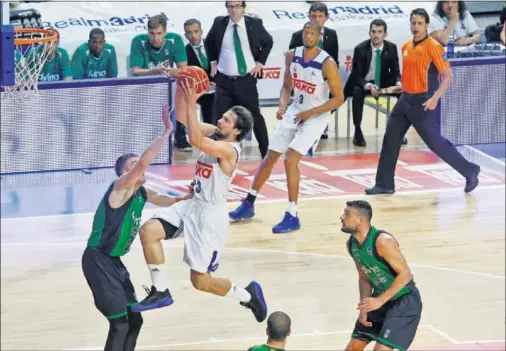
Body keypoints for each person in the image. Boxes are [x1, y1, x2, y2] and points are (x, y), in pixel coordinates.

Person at [130, 78, 268, 324]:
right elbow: (184, 118)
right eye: (222, 116)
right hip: (192, 204)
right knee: (148, 231)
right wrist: (183, 89)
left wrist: (194, 102)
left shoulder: (230, 150)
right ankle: (160, 291)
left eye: (226, 120)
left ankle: (249, 296)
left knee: (200, 281)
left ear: (236, 131)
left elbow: (195, 139)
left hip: (209, 218)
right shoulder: (215, 133)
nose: (220, 120)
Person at [81, 106, 192, 351]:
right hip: (97, 260)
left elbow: (167, 200)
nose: (139, 168)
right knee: (119, 324)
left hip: (114, 262)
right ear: (124, 173)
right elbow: (143, 163)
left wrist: (190, 195)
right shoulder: (119, 188)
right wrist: (166, 132)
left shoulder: (142, 192)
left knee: (135, 320)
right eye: (132, 166)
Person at [228, 20, 344, 234]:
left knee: (291, 159)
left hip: (316, 116)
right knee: (270, 157)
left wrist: (309, 113)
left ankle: (292, 214)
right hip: (296, 110)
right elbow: (286, 87)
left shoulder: (327, 63)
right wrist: (282, 105)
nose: (307, 36)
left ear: (319, 37)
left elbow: (338, 98)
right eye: (305, 32)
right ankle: (249, 203)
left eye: (312, 33)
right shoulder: (292, 55)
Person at [365, 8, 480, 196]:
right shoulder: (406, 47)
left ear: (427, 25)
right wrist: (387, 90)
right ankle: (384, 184)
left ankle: (470, 170)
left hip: (423, 102)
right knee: (391, 139)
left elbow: (448, 76)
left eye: (419, 23)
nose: (416, 26)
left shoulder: (434, 47)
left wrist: (435, 98)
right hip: (405, 100)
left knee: (436, 144)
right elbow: (408, 81)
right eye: (413, 23)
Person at [341, 200, 422, 351]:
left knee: (380, 349)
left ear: (361, 220)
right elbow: (364, 277)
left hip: (403, 302)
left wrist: (380, 300)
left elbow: (406, 274)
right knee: (352, 348)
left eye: (347, 214)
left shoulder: (382, 241)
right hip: (380, 299)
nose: (342, 217)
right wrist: (364, 308)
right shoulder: (351, 244)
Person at [204, 1, 273, 158]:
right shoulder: (219, 23)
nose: (233, 10)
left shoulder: (254, 24)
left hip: (246, 81)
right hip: (224, 81)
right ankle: (217, 156)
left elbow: (268, 42)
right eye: (230, 7)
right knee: (219, 120)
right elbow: (208, 42)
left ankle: (266, 155)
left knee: (255, 117)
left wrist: (260, 63)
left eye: (237, 6)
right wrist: (213, 61)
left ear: (243, 8)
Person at [129, 13, 192, 152]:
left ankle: (180, 136)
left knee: (182, 88)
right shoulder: (138, 41)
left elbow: (183, 69)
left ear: (165, 32)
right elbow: (136, 71)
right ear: (147, 32)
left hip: (167, 82)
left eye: (159, 33)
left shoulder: (175, 40)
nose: (155, 38)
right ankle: (142, 139)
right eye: (152, 33)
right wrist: (156, 70)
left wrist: (167, 71)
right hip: (145, 84)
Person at [343, 19, 404, 147]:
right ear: (369, 33)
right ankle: (358, 131)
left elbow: (396, 72)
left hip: (383, 82)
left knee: (403, 94)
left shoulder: (391, 48)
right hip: (365, 83)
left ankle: (399, 131)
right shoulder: (360, 49)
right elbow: (356, 75)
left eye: (379, 32)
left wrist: (398, 83)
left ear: (385, 34)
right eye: (373, 32)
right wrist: (367, 85)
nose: (376, 35)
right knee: (357, 92)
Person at [289, 1, 339, 140]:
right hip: (304, 78)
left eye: (320, 16)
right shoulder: (298, 35)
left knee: (328, 99)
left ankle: (321, 128)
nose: (316, 19)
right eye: (313, 16)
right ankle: (299, 124)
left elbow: (335, 59)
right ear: (308, 17)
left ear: (326, 18)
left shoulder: (332, 34)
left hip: (323, 78)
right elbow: (292, 63)